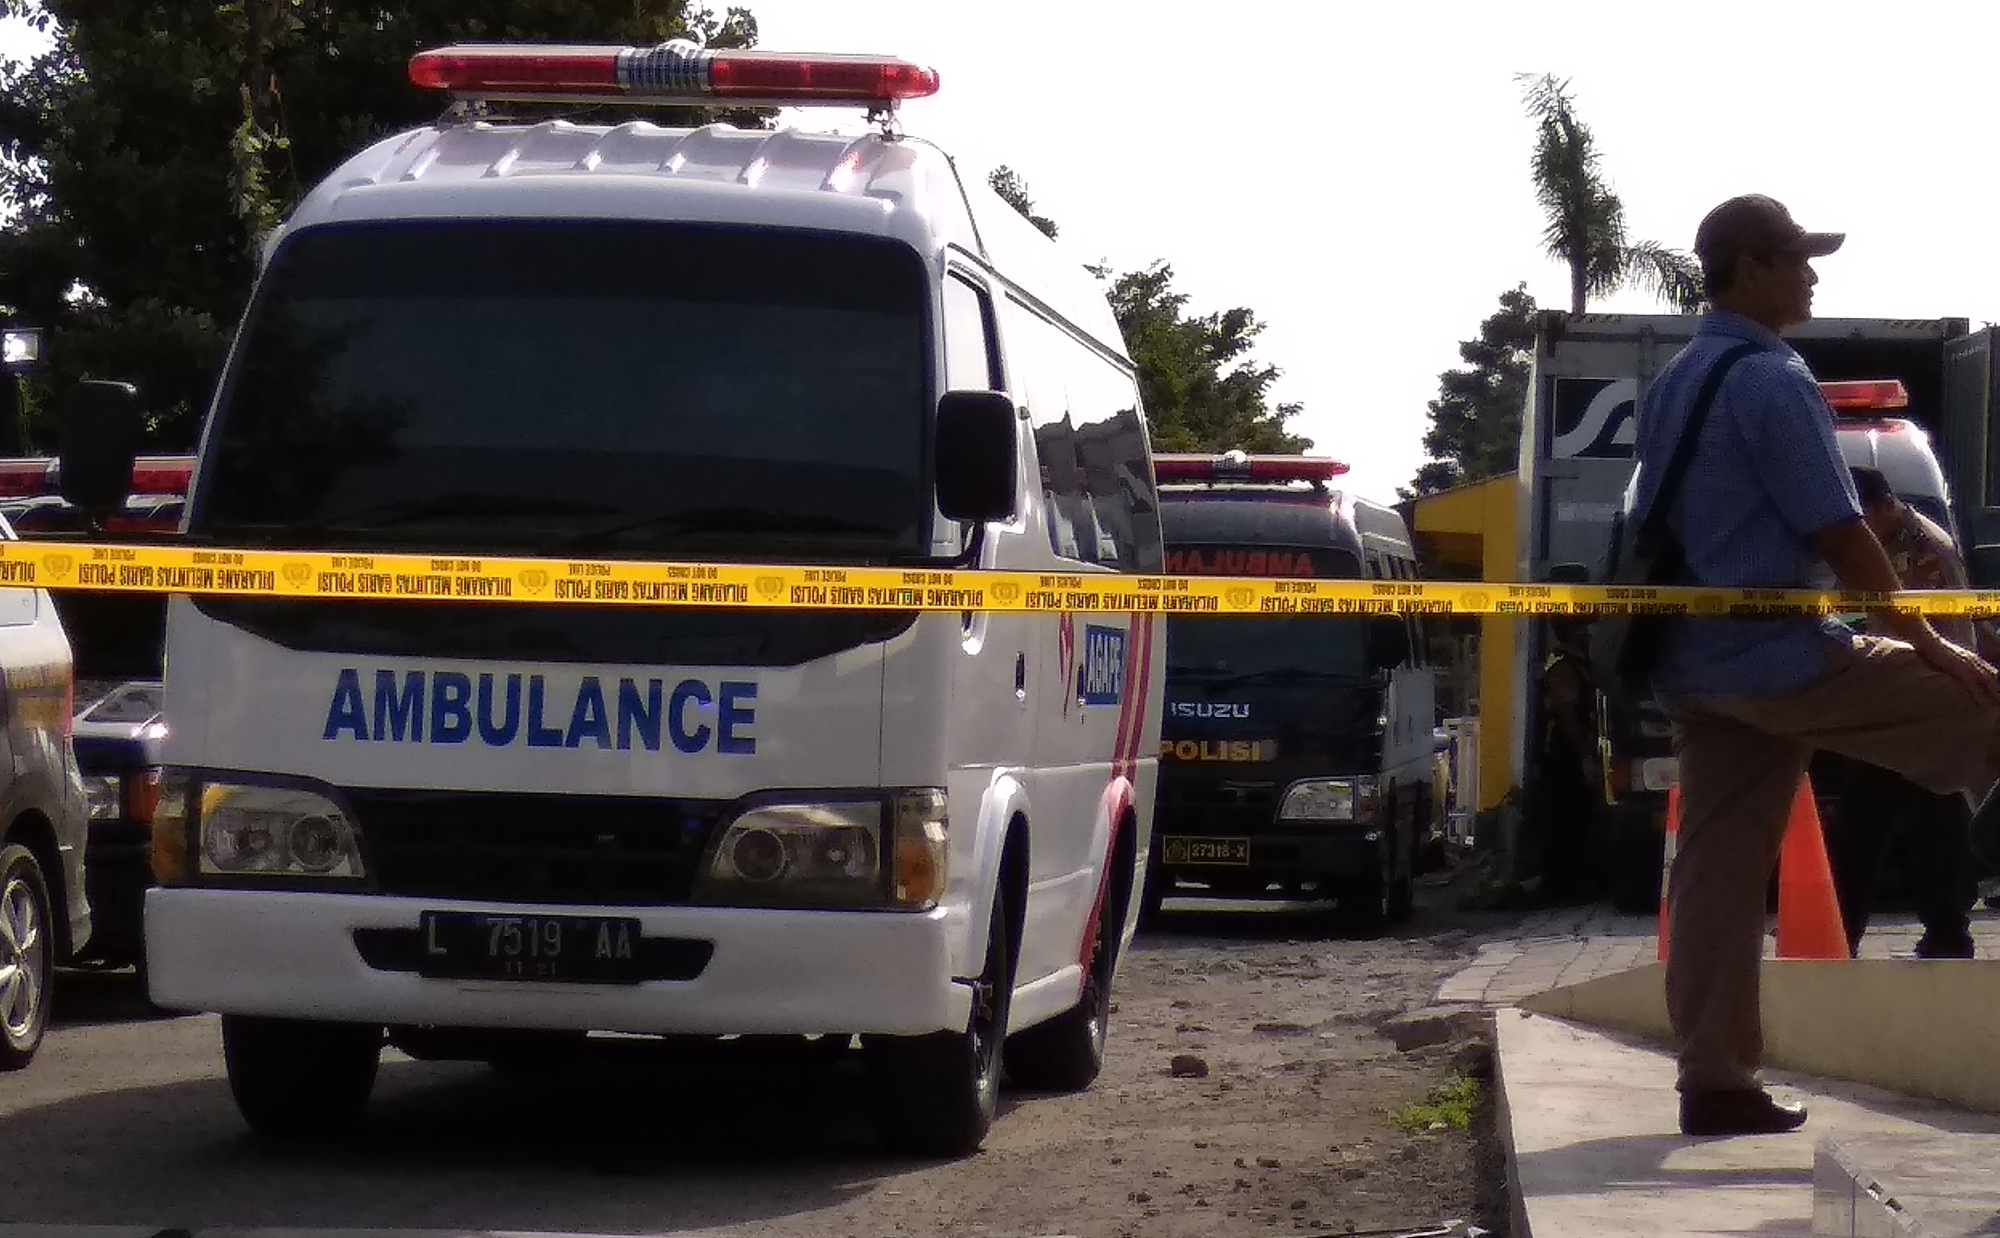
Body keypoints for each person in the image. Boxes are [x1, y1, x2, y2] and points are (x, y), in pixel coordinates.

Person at [1631, 193, 2000, 1140]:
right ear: (1750, 268)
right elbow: (1840, 532)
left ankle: (1714, 1082)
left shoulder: (1679, 379)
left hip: (1698, 665)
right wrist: (1935, 647)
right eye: (1798, 260)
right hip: (1785, 658)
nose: (1813, 276)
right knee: (1989, 716)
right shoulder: (1772, 377)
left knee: (1713, 874)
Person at [1822, 467, 1979, 961]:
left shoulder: (1928, 551)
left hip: (1928, 708)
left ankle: (1948, 934)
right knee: (1862, 827)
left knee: (1931, 829)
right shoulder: (1877, 544)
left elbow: (1952, 638)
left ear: (1883, 505)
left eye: (1862, 516)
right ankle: (1838, 934)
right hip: (1887, 708)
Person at [1537, 619, 1599, 902]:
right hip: (1564, 754)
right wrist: (1584, 756)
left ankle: (1569, 881)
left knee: (1576, 819)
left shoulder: (1579, 662)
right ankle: (1559, 886)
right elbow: (1566, 711)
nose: (1588, 630)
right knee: (1566, 820)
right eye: (1583, 626)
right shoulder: (1563, 665)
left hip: (1571, 751)